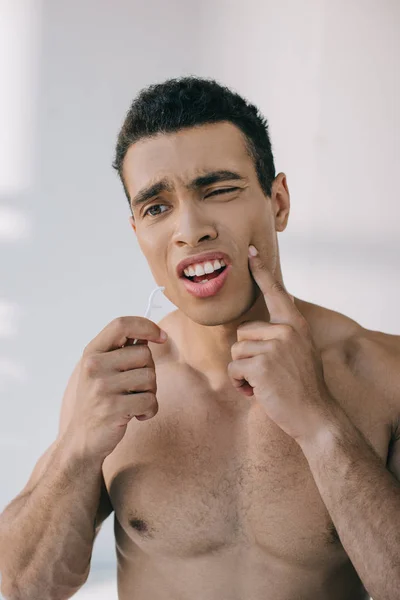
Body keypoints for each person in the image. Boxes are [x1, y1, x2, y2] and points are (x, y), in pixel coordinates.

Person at [0, 76, 399, 600]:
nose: (190, 229)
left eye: (218, 190)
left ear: (277, 202)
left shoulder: (381, 373)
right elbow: (24, 586)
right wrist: (77, 449)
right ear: (138, 232)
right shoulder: (112, 383)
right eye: (157, 208)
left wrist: (321, 423)